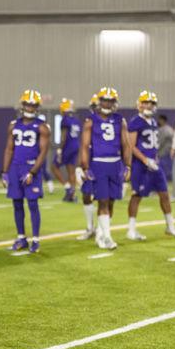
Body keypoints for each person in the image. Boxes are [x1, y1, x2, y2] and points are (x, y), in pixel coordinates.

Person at [126, 91, 175, 240]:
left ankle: (170, 226)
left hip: (154, 164)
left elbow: (152, 144)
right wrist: (145, 160)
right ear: (139, 104)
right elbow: (131, 146)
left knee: (164, 194)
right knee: (136, 196)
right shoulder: (135, 122)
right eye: (146, 102)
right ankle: (131, 230)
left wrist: (154, 158)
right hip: (141, 165)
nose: (148, 106)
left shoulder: (152, 121)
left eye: (151, 103)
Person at [79, 87, 131, 250]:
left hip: (115, 164)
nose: (107, 104)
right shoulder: (91, 120)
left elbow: (126, 144)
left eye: (110, 101)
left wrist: (128, 165)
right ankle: (107, 237)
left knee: (112, 201)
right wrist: (85, 166)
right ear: (99, 101)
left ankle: (101, 233)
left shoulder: (119, 120)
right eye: (105, 100)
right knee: (102, 200)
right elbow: (85, 146)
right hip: (99, 163)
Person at [2, 90, 50, 254]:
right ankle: (21, 237)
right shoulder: (13, 125)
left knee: (32, 203)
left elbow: (43, 153)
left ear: (37, 107)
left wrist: (33, 172)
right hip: (15, 168)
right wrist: (5, 172)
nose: (30, 107)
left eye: (33, 104)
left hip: (30, 167)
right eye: (28, 104)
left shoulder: (42, 127)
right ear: (23, 105)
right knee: (16, 203)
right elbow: (9, 149)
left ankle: (35, 239)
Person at [76, 94, 99, 240]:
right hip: (90, 164)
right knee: (86, 195)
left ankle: (103, 230)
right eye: (95, 106)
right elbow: (84, 146)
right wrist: (81, 166)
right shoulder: (89, 122)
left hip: (105, 163)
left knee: (106, 199)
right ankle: (90, 228)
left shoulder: (114, 122)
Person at [50, 98, 81, 203]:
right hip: (76, 146)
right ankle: (72, 194)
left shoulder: (65, 120)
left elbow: (64, 136)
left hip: (67, 147)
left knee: (54, 167)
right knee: (71, 171)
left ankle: (68, 188)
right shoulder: (76, 120)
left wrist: (59, 149)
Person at [157, 114, 173, 181]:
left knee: (163, 170)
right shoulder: (170, 128)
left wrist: (155, 150)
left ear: (162, 120)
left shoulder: (164, 129)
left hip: (164, 153)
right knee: (167, 169)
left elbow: (160, 142)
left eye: (159, 120)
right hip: (168, 152)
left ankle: (163, 183)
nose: (158, 121)